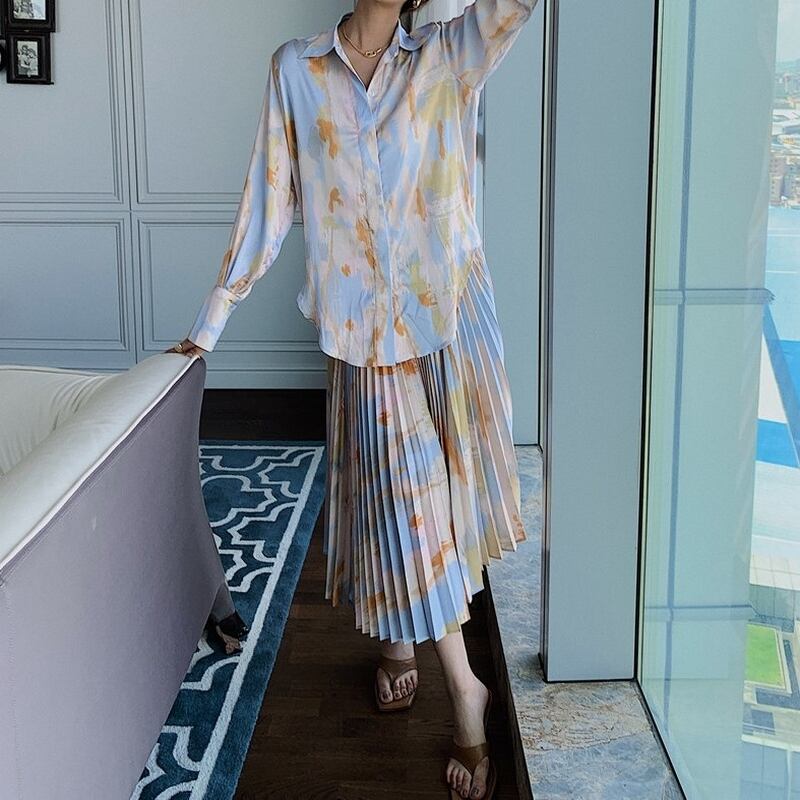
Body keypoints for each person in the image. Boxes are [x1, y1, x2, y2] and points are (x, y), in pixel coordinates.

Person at [168, 0, 537, 796]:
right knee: (406, 499)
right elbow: (269, 202)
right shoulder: (296, 71)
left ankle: (401, 641)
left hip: (448, 314)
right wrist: (211, 322)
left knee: (436, 502)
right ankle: (465, 689)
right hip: (363, 333)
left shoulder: (446, 56)